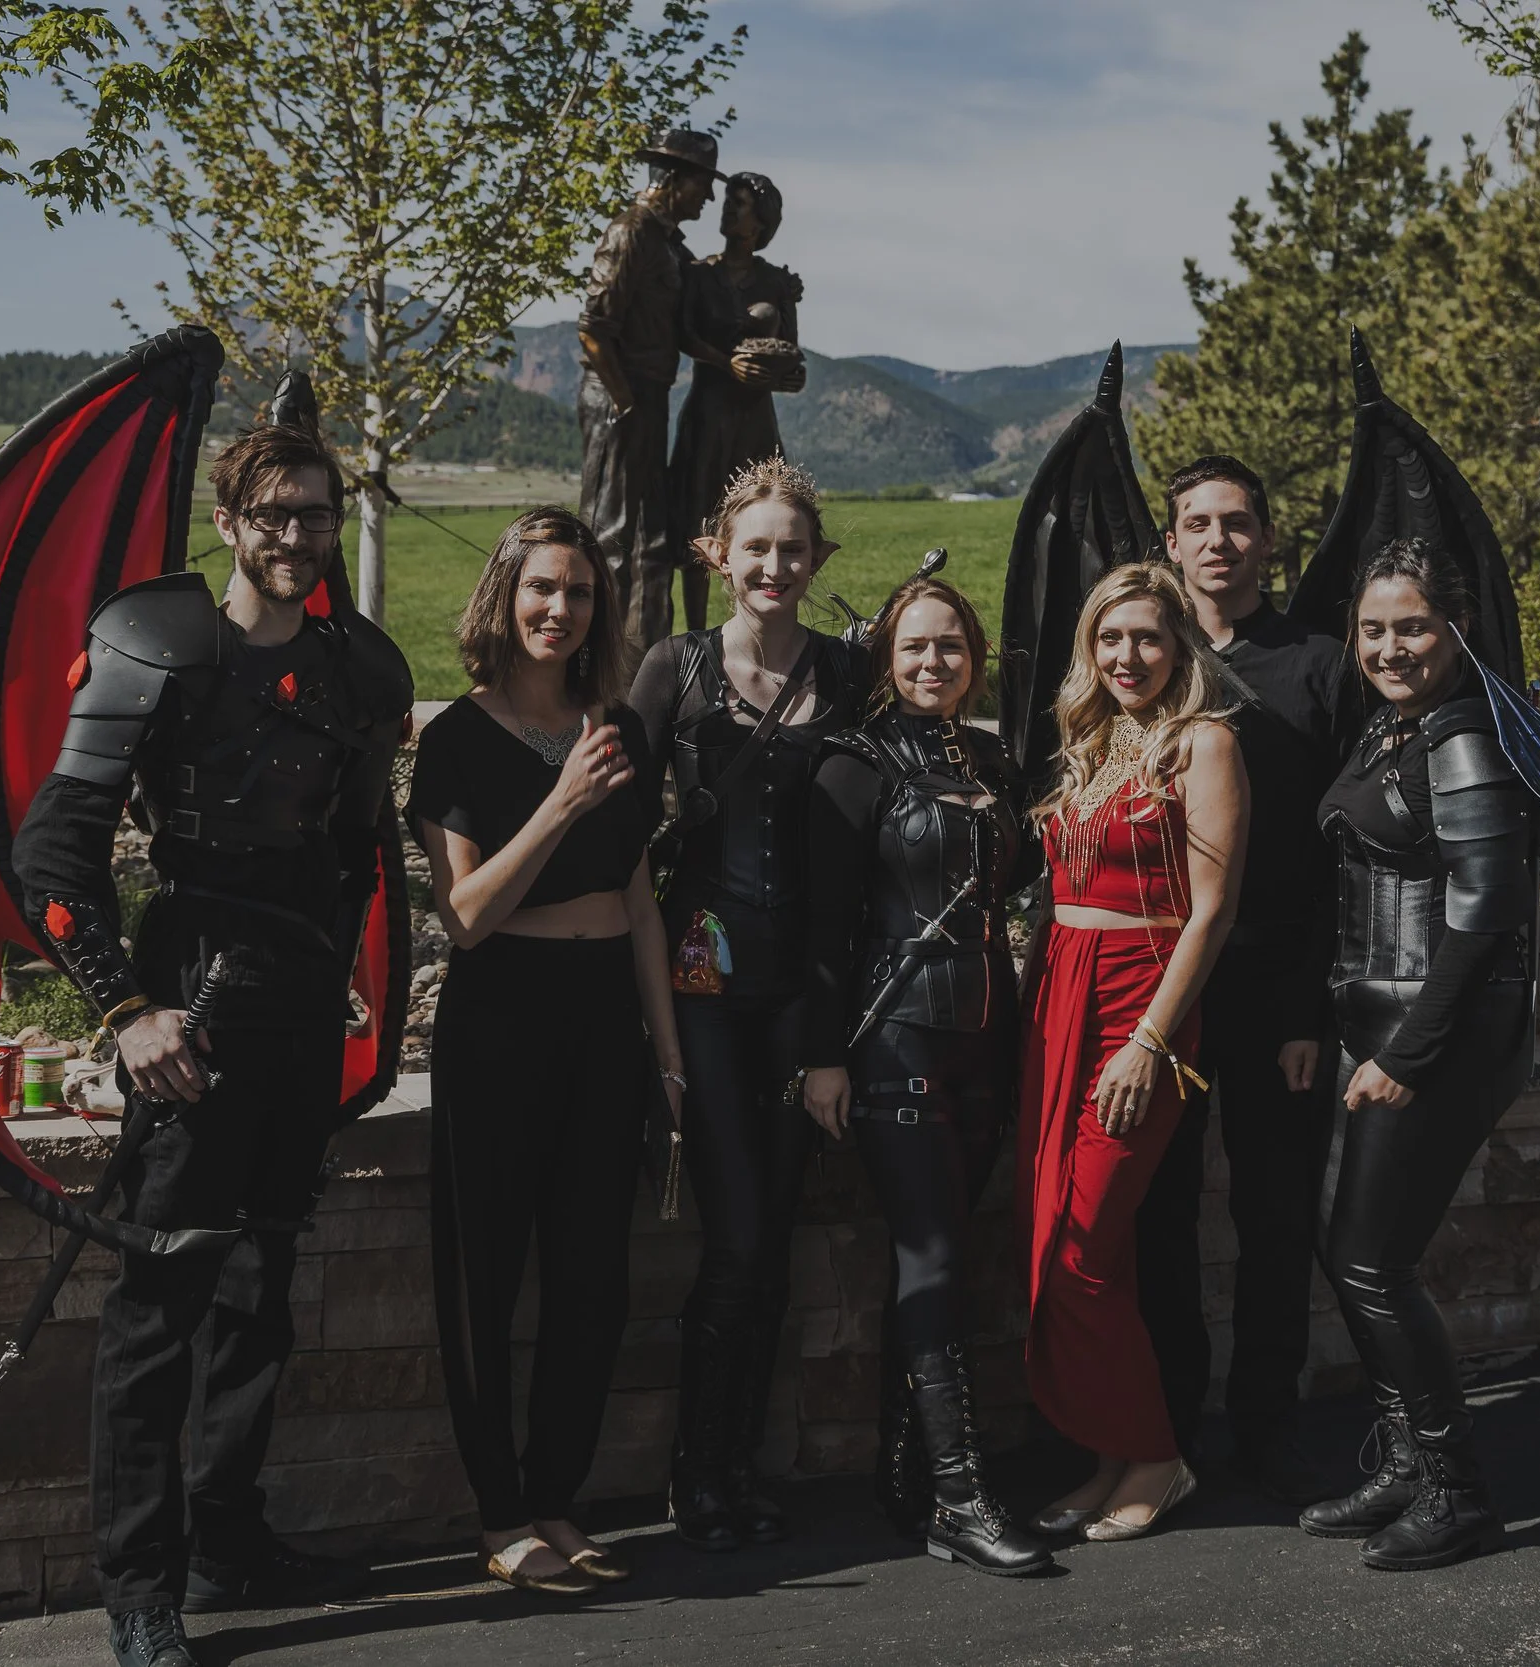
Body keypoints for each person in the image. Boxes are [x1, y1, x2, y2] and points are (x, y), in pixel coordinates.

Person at [11, 425, 406, 1667]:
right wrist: (127, 1010)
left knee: (261, 1282)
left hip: (298, 998)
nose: (296, 535)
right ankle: (140, 1586)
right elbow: (52, 854)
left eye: (317, 513)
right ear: (229, 522)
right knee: (162, 1295)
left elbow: (356, 847)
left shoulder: (358, 670)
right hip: (188, 986)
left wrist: (347, 980)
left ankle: (227, 1536)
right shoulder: (157, 644)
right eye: (273, 513)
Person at [406, 507, 681, 1596]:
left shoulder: (621, 728)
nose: (558, 608)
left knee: (592, 1272)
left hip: (604, 1010)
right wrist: (562, 801)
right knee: (484, 1271)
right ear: (504, 597)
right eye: (540, 587)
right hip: (502, 1012)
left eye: (577, 590)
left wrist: (667, 1054)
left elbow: (642, 901)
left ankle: (558, 1496)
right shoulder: (454, 740)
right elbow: (466, 913)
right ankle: (501, 1512)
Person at [629, 455, 869, 1552]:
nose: (775, 564)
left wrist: (830, 1033)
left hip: (804, 990)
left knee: (773, 1233)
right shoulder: (674, 666)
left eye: (793, 548)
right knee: (735, 1235)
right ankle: (700, 1471)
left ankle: (738, 1465)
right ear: (717, 555)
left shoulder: (848, 671)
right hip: (704, 989)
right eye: (755, 547)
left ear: (818, 560)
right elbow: (616, 829)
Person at [800, 576, 1053, 1578]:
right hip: (894, 1036)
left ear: (975, 658)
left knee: (949, 1256)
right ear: (885, 657)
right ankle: (960, 1497)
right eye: (913, 646)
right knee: (933, 1256)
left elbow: (1020, 878)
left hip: (987, 1035)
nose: (931, 662)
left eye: (949, 646)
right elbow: (823, 923)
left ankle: (905, 1474)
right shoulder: (853, 762)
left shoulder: (992, 760)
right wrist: (823, 1055)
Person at [1301, 536, 1538, 1571]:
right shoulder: (1394, 725)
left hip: (1433, 1037)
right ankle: (1406, 1464)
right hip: (1376, 1026)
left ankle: (1455, 1488)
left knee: (1372, 1260)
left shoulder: (1465, 738)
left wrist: (1408, 1053)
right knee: (1347, 1252)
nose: (1389, 647)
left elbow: (1484, 918)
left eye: (1411, 626)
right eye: (1373, 629)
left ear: (1456, 628)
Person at [1019, 562, 1248, 1544]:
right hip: (1057, 1005)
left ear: (1178, 645)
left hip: (1135, 1012)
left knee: (1083, 1243)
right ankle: (1110, 1454)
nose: (1127, 655)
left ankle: (1158, 1455)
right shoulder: (1092, 740)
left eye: (1147, 637)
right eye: (1108, 638)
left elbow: (1212, 911)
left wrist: (1148, 1041)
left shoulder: (1205, 742)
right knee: (1055, 1245)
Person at [1146, 455, 1352, 1499]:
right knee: (1160, 1212)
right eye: (1197, 523)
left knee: (1274, 1217)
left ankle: (1269, 1427)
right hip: (1163, 992)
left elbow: (1344, 854)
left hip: (1279, 995)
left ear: (1267, 540)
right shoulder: (1143, 655)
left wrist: (1313, 1006)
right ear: (1170, 542)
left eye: (1236, 523)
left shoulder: (1320, 665)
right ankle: (1168, 1427)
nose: (1217, 540)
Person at [580, 127, 722, 654]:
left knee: (655, 542)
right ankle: (596, 666)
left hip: (650, 398)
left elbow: (685, 326)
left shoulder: (669, 245)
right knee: (611, 538)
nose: (709, 197)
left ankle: (650, 667)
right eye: (704, 184)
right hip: (619, 395)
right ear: (676, 179)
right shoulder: (630, 233)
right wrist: (625, 402)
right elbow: (594, 328)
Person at [668, 171, 806, 633]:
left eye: (740, 203)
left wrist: (786, 374)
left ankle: (757, 628)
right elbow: (684, 334)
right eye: (728, 200)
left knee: (765, 518)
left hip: (754, 420)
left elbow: (790, 351)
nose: (729, 209)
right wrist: (728, 364)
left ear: (761, 220)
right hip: (707, 415)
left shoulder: (776, 282)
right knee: (698, 525)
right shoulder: (699, 274)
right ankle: (694, 635)